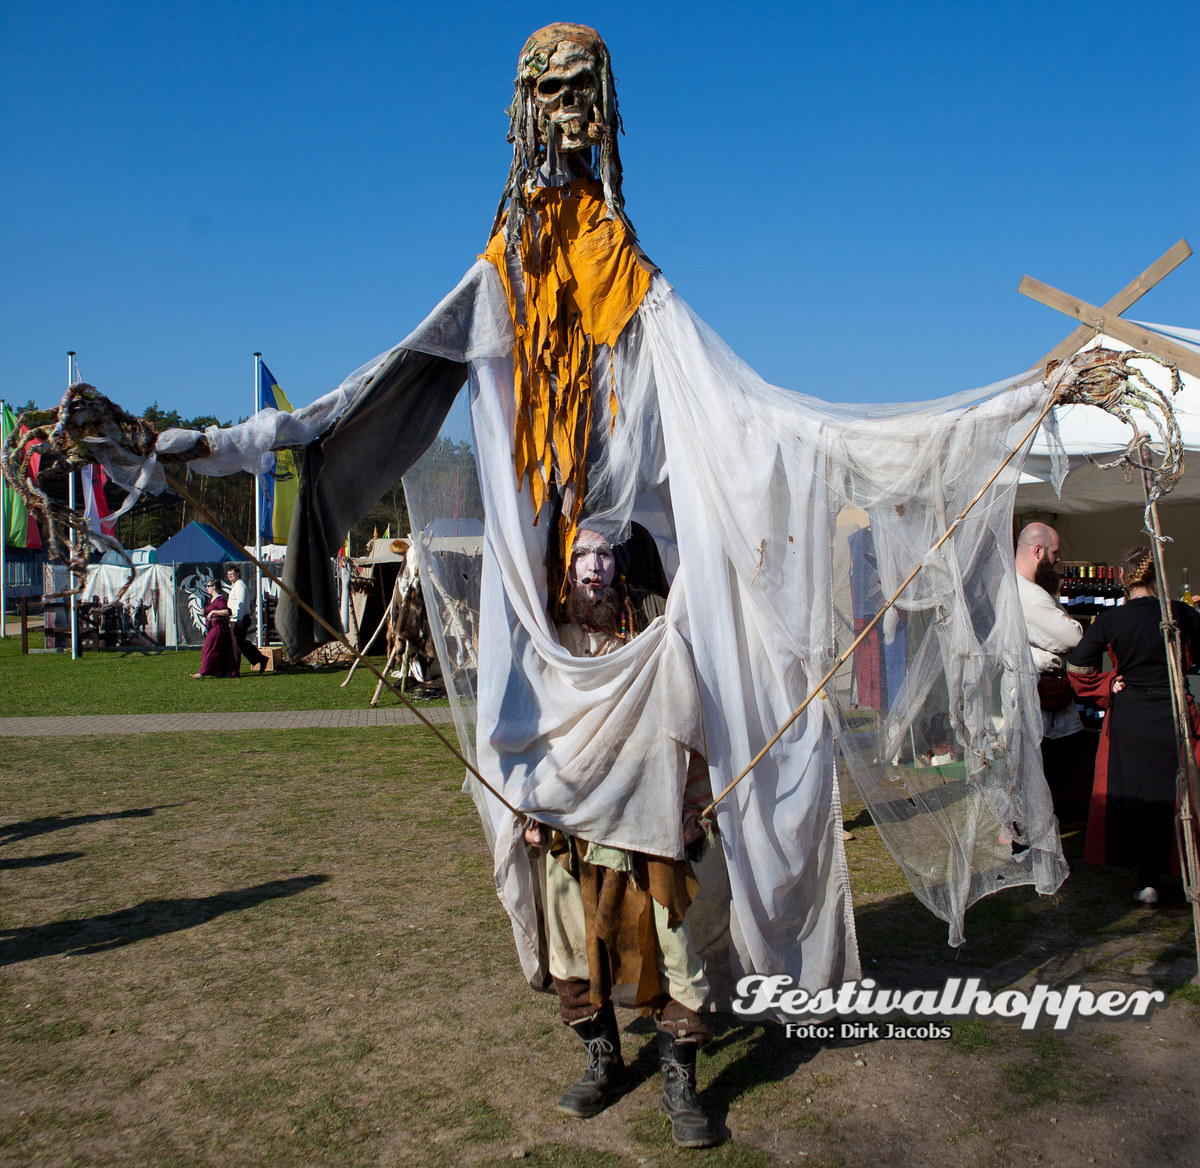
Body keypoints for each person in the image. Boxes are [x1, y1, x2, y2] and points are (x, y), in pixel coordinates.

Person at [522, 527, 719, 1149]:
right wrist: (526, 804)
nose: (594, 569)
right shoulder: (548, 644)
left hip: (648, 820)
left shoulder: (657, 635)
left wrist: (694, 805)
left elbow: (690, 721)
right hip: (569, 823)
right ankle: (603, 1059)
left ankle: (679, 1081)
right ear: (568, 566)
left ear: (620, 565)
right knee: (573, 950)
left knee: (675, 948)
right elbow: (527, 731)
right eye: (583, 554)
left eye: (605, 554)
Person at [1067, 546, 1200, 905]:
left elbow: (1078, 666)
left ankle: (1147, 880)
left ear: (1124, 579)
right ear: (1156, 577)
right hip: (1172, 713)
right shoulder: (1179, 613)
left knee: (1139, 796)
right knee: (1177, 794)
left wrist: (1108, 682)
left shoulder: (1112, 619)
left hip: (1132, 718)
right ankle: (1186, 874)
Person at [1015, 523, 1084, 817]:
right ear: (1038, 550)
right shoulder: (1029, 595)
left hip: (1041, 698)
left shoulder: (1031, 592)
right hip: (1031, 699)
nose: (1057, 560)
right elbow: (1073, 637)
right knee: (1034, 774)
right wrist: (1051, 654)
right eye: (1054, 553)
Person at [224, 565, 268, 673]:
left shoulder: (240, 585)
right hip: (235, 618)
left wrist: (239, 619)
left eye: (232, 573)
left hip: (239, 618)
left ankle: (236, 669)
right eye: (228, 574)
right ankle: (259, 659)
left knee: (237, 644)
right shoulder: (235, 585)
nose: (230, 576)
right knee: (238, 644)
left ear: (238, 573)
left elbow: (241, 602)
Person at [192, 580, 238, 678]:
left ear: (214, 587)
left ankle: (202, 672)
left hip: (219, 627)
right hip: (212, 626)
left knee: (208, 648)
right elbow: (209, 613)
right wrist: (204, 611)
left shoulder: (220, 599)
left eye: (208, 586)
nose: (207, 588)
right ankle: (218, 671)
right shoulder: (210, 600)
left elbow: (226, 612)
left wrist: (213, 612)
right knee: (216, 649)